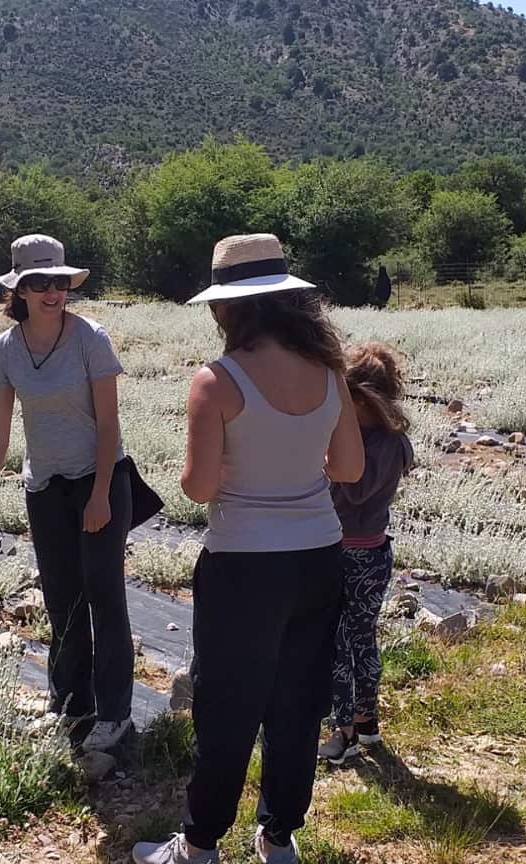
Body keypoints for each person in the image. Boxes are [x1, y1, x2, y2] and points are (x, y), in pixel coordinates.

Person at [133, 234, 364, 864]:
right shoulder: (329, 371)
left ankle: (201, 844)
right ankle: (279, 835)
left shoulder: (217, 381)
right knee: (298, 701)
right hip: (318, 554)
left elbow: (200, 487)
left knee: (227, 707)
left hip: (242, 563)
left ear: (226, 307)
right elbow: (347, 467)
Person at [0, 233, 135, 753]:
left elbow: (109, 424)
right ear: (19, 290)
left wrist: (101, 494)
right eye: (39, 283)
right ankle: (70, 703)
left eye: (58, 282)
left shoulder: (90, 339)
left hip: (101, 480)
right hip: (45, 488)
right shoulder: (6, 350)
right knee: (61, 599)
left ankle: (115, 713)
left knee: (104, 597)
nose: (51, 292)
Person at [317, 342, 415, 766]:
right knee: (363, 640)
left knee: (340, 644)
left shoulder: (375, 446)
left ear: (362, 400)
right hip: (372, 554)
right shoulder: (392, 442)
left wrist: (327, 457)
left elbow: (353, 487)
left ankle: (345, 731)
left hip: (350, 556)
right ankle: (367, 721)